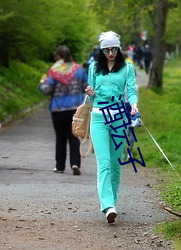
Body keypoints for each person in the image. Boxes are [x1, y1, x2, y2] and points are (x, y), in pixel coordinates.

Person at [85, 31, 138, 223]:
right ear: (101, 50)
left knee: (116, 164)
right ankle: (107, 205)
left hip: (119, 119)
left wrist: (133, 104)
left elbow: (131, 90)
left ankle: (112, 201)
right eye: (106, 50)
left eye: (114, 49)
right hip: (99, 118)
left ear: (119, 48)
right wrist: (90, 92)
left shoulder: (127, 68)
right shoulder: (93, 68)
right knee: (104, 162)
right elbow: (91, 97)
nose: (110, 53)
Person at [39, 45, 88, 175]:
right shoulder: (79, 70)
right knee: (74, 137)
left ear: (58, 57)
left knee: (60, 138)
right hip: (75, 109)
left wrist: (42, 83)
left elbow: (47, 90)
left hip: (58, 109)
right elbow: (86, 87)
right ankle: (75, 163)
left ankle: (60, 166)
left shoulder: (54, 71)